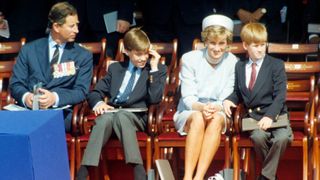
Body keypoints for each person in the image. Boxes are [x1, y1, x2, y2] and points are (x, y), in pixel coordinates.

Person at [76, 27, 167, 180]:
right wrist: (99, 104)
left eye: (146, 53)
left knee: (122, 116)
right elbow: (95, 92)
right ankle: (83, 171)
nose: (143, 58)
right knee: (104, 119)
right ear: (127, 51)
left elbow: (155, 99)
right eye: (138, 54)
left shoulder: (156, 70)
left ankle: (138, 171)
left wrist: (154, 68)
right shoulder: (116, 68)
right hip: (112, 114)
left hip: (136, 116)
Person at [223, 22, 293, 180]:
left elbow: (281, 95)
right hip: (254, 117)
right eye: (255, 45)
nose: (260, 49)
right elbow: (238, 92)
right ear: (245, 45)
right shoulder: (239, 66)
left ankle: (265, 177)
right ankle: (271, 176)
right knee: (258, 137)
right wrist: (228, 100)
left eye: (263, 44)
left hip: (276, 116)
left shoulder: (276, 64)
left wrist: (269, 116)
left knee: (282, 138)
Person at [9, 2, 93, 132]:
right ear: (57, 27)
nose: (76, 30)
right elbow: (15, 84)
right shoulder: (29, 50)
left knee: (44, 126)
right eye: (72, 26)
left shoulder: (83, 55)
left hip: (60, 113)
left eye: (77, 24)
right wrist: (26, 97)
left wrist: (54, 98)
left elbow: (81, 91)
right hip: (30, 111)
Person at [173, 14, 238, 180]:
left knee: (216, 119)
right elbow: (187, 97)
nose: (217, 48)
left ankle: (198, 177)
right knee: (198, 118)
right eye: (212, 43)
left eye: (221, 43)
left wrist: (214, 108)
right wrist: (202, 108)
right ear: (205, 42)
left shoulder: (234, 62)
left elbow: (226, 97)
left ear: (227, 44)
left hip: (219, 110)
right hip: (191, 109)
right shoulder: (189, 59)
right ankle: (188, 177)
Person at [65, 0, 134, 58]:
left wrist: (125, 15)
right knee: (74, 59)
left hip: (107, 21)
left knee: (109, 60)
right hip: (75, 19)